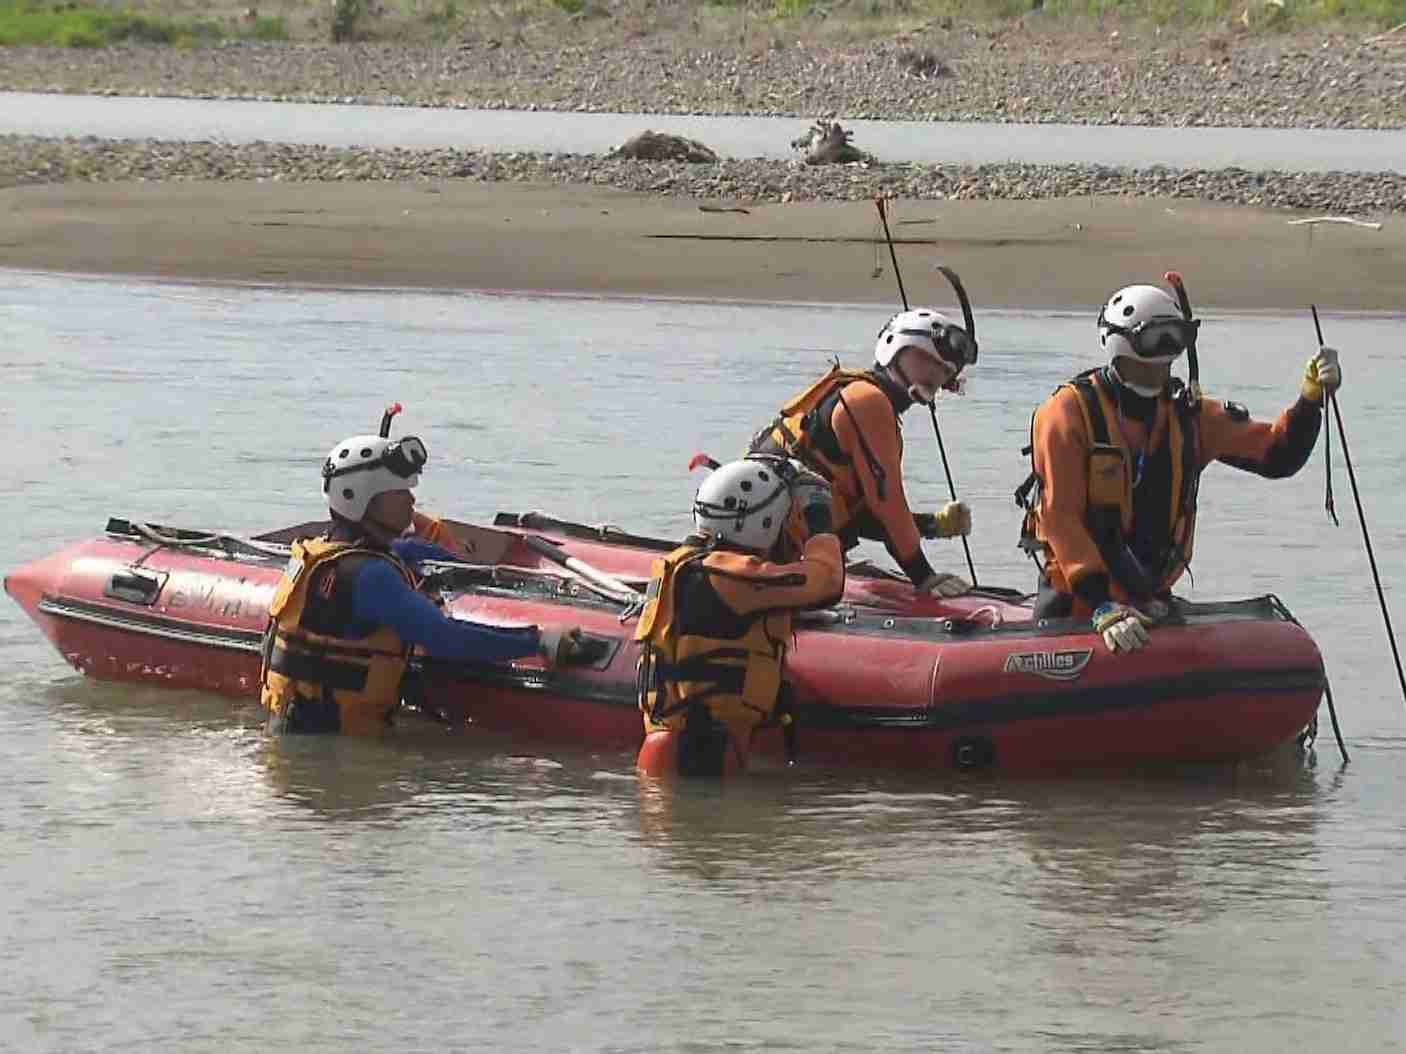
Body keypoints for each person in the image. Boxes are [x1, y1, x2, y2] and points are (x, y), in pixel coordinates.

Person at [1017, 281, 1342, 655]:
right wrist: (1102, 608)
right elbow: (1061, 519)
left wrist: (1309, 400)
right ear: (1121, 343)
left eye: (1176, 338)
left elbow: (1276, 455)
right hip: (1077, 606)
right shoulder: (1068, 415)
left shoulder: (1190, 417)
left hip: (1152, 604)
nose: (1165, 357)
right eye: (1156, 340)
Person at [260, 424, 592, 734]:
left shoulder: (321, 554)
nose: (412, 500)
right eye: (400, 493)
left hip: (297, 727)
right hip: (334, 753)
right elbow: (445, 637)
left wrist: (436, 557)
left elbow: (396, 551)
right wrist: (536, 641)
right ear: (362, 499)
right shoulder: (372, 577)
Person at [633, 457, 846, 778]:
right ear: (763, 522)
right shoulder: (735, 578)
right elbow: (827, 582)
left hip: (675, 748)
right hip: (702, 755)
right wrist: (819, 518)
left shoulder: (688, 566)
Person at [748, 306, 977, 598]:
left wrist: (933, 525)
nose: (937, 373)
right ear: (895, 349)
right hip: (768, 554)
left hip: (769, 542)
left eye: (946, 370)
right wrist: (925, 577)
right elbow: (888, 506)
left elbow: (858, 514)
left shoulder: (863, 395)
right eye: (926, 360)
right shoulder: (868, 402)